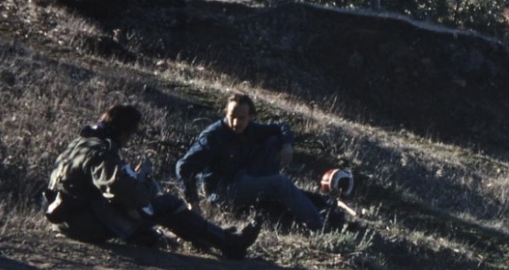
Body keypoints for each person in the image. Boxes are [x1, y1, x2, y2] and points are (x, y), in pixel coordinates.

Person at [45, 104, 259, 259]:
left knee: (156, 222)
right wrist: (144, 187)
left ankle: (215, 238)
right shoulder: (102, 152)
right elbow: (121, 191)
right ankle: (230, 244)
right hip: (83, 225)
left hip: (65, 222)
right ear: (124, 132)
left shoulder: (80, 144)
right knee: (169, 204)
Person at [176, 92, 324, 230]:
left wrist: (287, 145)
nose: (236, 123)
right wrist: (193, 202)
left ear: (250, 117)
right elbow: (183, 166)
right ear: (225, 113)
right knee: (280, 183)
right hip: (223, 192)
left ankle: (273, 199)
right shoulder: (213, 136)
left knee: (274, 141)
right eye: (232, 116)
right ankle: (318, 225)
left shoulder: (250, 129)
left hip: (243, 176)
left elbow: (281, 127)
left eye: (241, 118)